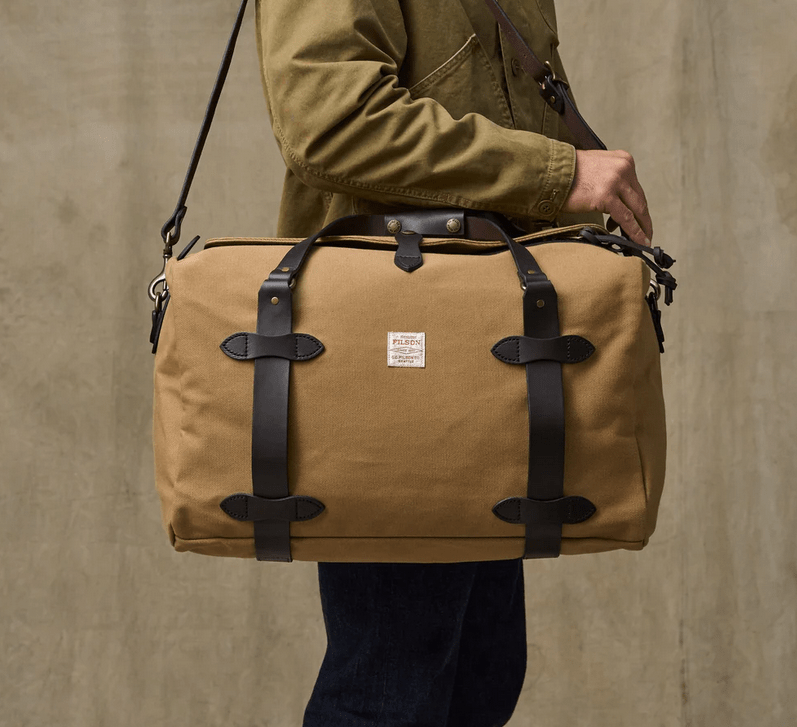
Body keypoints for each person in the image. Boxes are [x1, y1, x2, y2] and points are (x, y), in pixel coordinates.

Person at [253, 1, 653, 724]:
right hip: (396, 357)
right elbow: (330, 121)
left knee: (480, 673)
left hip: (488, 354)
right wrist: (557, 172)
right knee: (393, 683)